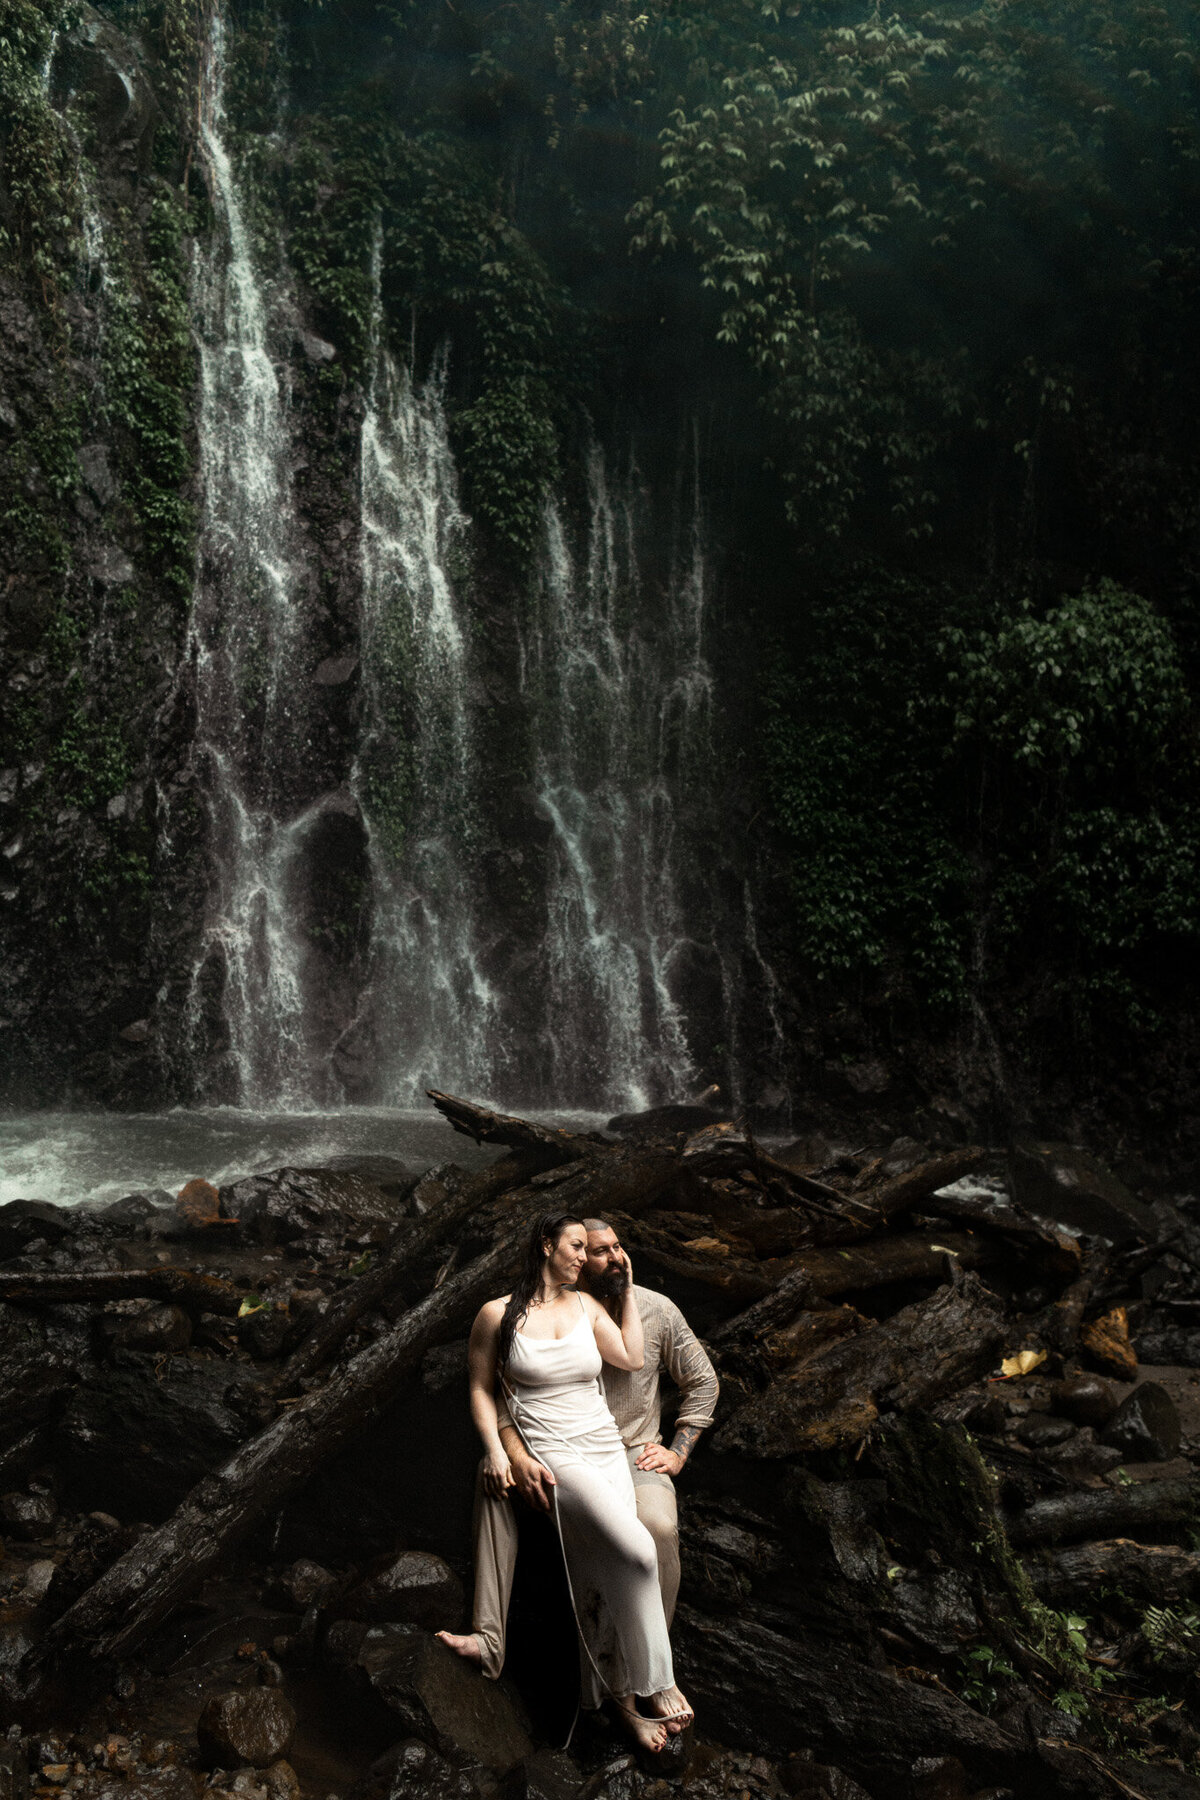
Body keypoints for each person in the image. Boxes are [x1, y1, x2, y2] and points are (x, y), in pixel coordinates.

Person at [437, 1212, 693, 1755]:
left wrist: (622, 1290)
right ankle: (660, 1680)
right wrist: (494, 1452)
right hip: (556, 1454)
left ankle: (616, 1699)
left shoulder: (586, 1305)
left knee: (615, 1565)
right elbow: (482, 1389)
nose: (584, 1256)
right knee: (639, 1551)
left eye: (589, 1249)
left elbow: (631, 1356)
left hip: (604, 1446)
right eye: (576, 1246)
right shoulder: (496, 1314)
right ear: (545, 1246)